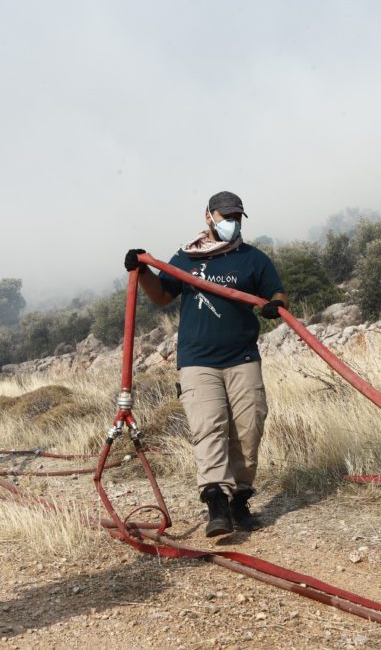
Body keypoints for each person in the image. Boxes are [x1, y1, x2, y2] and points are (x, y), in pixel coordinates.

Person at [126, 191, 288, 537]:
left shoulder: (253, 259)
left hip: (242, 357)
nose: (232, 223)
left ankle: (239, 498)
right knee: (209, 427)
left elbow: (277, 292)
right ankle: (216, 503)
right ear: (208, 217)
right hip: (198, 361)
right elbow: (162, 295)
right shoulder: (185, 258)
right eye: (225, 216)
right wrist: (142, 272)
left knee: (249, 425)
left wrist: (274, 305)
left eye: (237, 217)